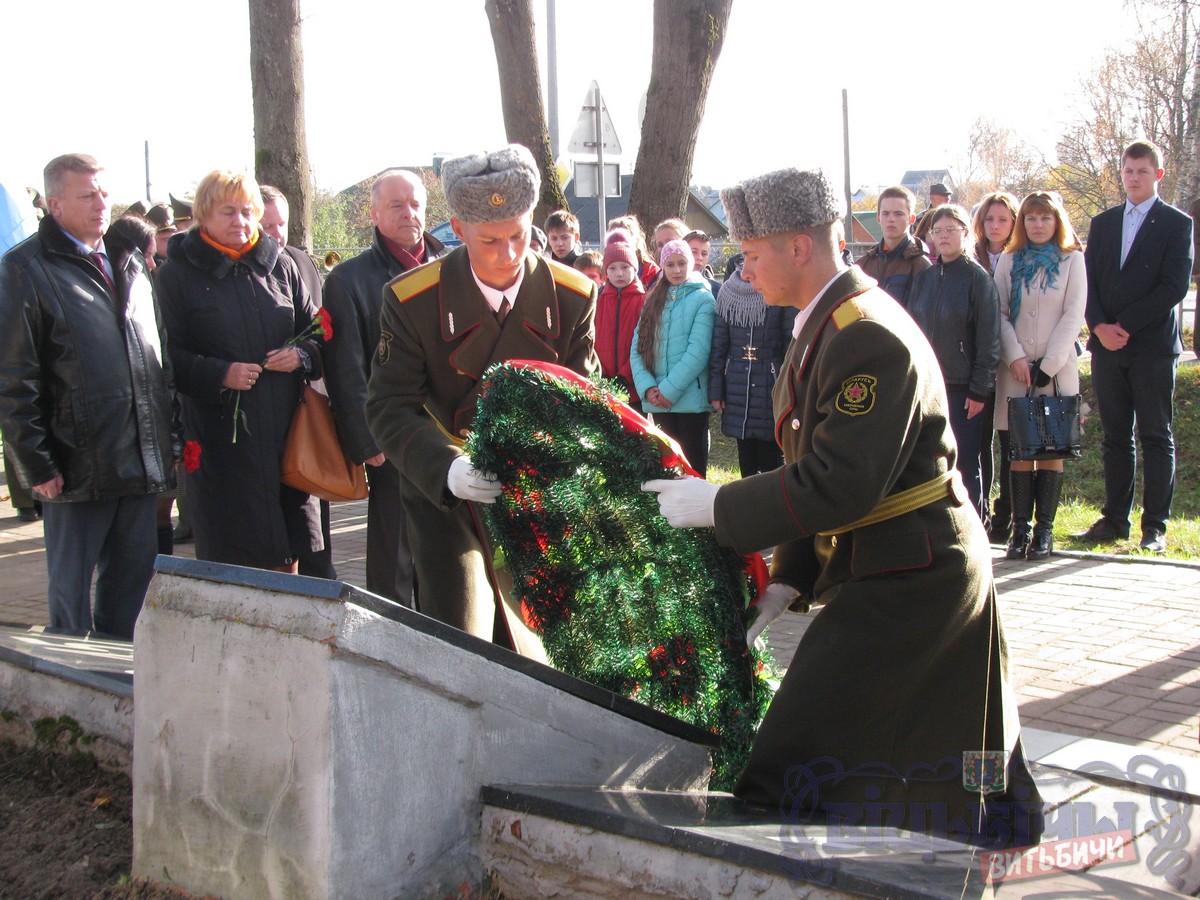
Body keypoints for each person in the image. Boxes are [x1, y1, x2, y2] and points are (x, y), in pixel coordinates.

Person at [642, 167, 1041, 847]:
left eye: (755, 252)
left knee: (795, 758)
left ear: (800, 247)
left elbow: (840, 481)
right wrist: (788, 582)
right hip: (896, 561)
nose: (745, 269)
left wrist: (719, 505)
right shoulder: (826, 323)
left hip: (916, 572)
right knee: (931, 747)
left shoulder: (864, 332)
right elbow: (815, 466)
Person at [365, 145, 599, 660]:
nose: (509, 253)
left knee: (548, 642)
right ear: (458, 228)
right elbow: (388, 405)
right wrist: (448, 469)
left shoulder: (572, 295)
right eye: (489, 240)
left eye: (519, 234)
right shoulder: (413, 300)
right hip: (447, 493)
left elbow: (582, 402)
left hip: (537, 489)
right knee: (464, 633)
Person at [0, 154, 178, 639]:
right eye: (87, 195)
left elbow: (157, 363)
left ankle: (122, 691)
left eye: (103, 193)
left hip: (138, 464)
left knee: (131, 600)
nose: (102, 204)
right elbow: (15, 381)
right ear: (54, 205)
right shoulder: (25, 270)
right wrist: (36, 465)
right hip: (75, 468)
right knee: (70, 609)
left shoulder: (132, 266)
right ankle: (71, 703)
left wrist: (169, 442)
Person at [157, 169, 323, 574]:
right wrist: (219, 374)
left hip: (288, 436)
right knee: (233, 556)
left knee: (291, 548)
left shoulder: (280, 265)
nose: (241, 221)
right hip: (222, 443)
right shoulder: (177, 275)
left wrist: (301, 354)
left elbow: (321, 332)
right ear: (203, 215)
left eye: (248, 211)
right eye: (228, 212)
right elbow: (165, 357)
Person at [322, 169, 449, 605]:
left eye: (416, 204)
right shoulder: (348, 280)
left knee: (448, 552)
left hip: (450, 433)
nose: (409, 213)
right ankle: (390, 631)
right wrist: (366, 437)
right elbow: (346, 367)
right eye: (396, 205)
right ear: (374, 214)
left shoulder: (453, 267)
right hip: (391, 433)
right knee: (394, 549)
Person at [1077, 140, 1193, 553]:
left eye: (1142, 171)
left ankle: (1155, 528)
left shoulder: (1177, 224)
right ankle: (1114, 521)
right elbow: (1085, 282)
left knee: (1155, 435)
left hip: (1152, 347)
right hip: (1107, 348)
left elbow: (1174, 286)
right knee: (1115, 437)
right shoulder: (1104, 222)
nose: (1134, 178)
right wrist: (1099, 326)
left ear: (1157, 175)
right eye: (1128, 170)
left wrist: (1123, 325)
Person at [994, 192, 1087, 560]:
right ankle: (1020, 529)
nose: (1037, 225)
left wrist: (1048, 365)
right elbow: (999, 312)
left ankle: (1044, 532)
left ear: (1057, 222)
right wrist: (1015, 356)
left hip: (1056, 370)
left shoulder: (1071, 260)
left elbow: (1074, 312)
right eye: (1030, 218)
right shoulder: (1008, 259)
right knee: (1019, 451)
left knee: (1050, 448)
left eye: (1045, 218)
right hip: (1016, 370)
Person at [260, 185, 337, 580]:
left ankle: (321, 576)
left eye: (281, 224)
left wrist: (305, 355)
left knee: (313, 513)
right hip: (262, 413)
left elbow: (321, 330)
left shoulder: (300, 261)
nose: (276, 234)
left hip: (307, 409)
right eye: (266, 224)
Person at [907, 204, 1001, 517]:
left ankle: (975, 521)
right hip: (930, 387)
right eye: (937, 230)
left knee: (965, 459)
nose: (944, 236)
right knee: (932, 458)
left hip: (965, 389)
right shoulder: (925, 279)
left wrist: (979, 390)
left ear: (965, 232)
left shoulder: (978, 280)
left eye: (951, 229)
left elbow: (989, 340)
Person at [630, 239, 716, 476]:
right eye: (670, 264)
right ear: (662, 266)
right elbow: (638, 348)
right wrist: (647, 387)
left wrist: (668, 390)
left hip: (690, 403)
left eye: (682, 263)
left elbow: (698, 350)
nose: (677, 270)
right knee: (666, 470)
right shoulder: (653, 300)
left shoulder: (703, 299)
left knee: (692, 470)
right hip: (658, 401)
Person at [708, 261, 796, 477]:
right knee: (745, 454)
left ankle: (771, 507)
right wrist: (716, 389)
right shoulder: (729, 292)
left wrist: (789, 389)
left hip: (770, 381)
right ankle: (746, 506)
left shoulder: (779, 290)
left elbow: (790, 345)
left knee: (771, 456)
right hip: (737, 381)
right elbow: (719, 344)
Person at [972, 192, 1020, 542]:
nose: (995, 226)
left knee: (1010, 439)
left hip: (1012, 358)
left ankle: (1008, 513)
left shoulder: (1019, 257)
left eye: (1003, 219)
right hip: (975, 361)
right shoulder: (971, 257)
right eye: (989, 219)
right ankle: (982, 511)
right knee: (979, 440)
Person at [854, 185, 931, 306]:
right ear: (878, 217)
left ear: (911, 218)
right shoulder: (863, 265)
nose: (891, 219)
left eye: (898, 214)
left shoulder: (921, 266)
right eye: (885, 213)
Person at [595, 240, 646, 411]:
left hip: (633, 388)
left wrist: (625, 376)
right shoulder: (598, 300)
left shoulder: (643, 301)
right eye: (612, 268)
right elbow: (591, 339)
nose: (619, 274)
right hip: (602, 384)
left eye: (625, 267)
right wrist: (598, 372)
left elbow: (645, 344)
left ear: (635, 268)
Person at [608, 215, 660, 286]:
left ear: (636, 241)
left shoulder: (651, 272)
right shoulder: (604, 271)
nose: (620, 246)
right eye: (615, 241)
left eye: (624, 240)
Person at [914, 181, 953, 246]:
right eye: (943, 195)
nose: (947, 198)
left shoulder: (954, 218)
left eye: (948, 195)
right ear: (931, 198)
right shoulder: (920, 219)